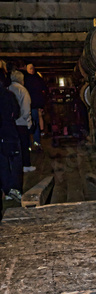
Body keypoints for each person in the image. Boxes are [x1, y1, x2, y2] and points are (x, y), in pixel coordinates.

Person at [0, 68, 23, 213]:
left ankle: (5, 190)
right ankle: (14, 189)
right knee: (14, 160)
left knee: (2, 162)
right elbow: (16, 113)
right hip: (8, 131)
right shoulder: (7, 95)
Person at [8, 70, 36, 173]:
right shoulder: (23, 90)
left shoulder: (8, 89)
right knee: (24, 144)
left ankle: (14, 165)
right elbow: (25, 107)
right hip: (21, 123)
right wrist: (28, 121)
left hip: (10, 123)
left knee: (14, 145)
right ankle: (26, 165)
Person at [23, 63, 48, 150]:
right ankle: (35, 142)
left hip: (29, 106)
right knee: (35, 124)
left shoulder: (25, 80)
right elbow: (44, 90)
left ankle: (30, 144)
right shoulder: (38, 79)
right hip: (34, 105)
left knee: (29, 124)